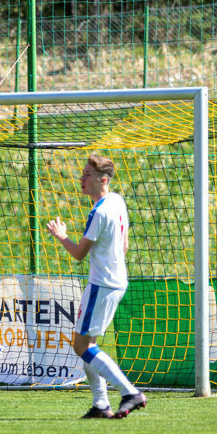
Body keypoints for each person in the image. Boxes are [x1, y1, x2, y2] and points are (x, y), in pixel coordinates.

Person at [46, 155, 146, 419]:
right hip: (116, 281)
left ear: (102, 180)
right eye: (83, 173)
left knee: (82, 346)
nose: (81, 179)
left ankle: (129, 392)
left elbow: (79, 253)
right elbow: (124, 245)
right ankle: (101, 405)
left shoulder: (99, 211)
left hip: (101, 284)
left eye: (87, 174)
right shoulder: (117, 200)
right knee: (87, 343)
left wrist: (60, 235)